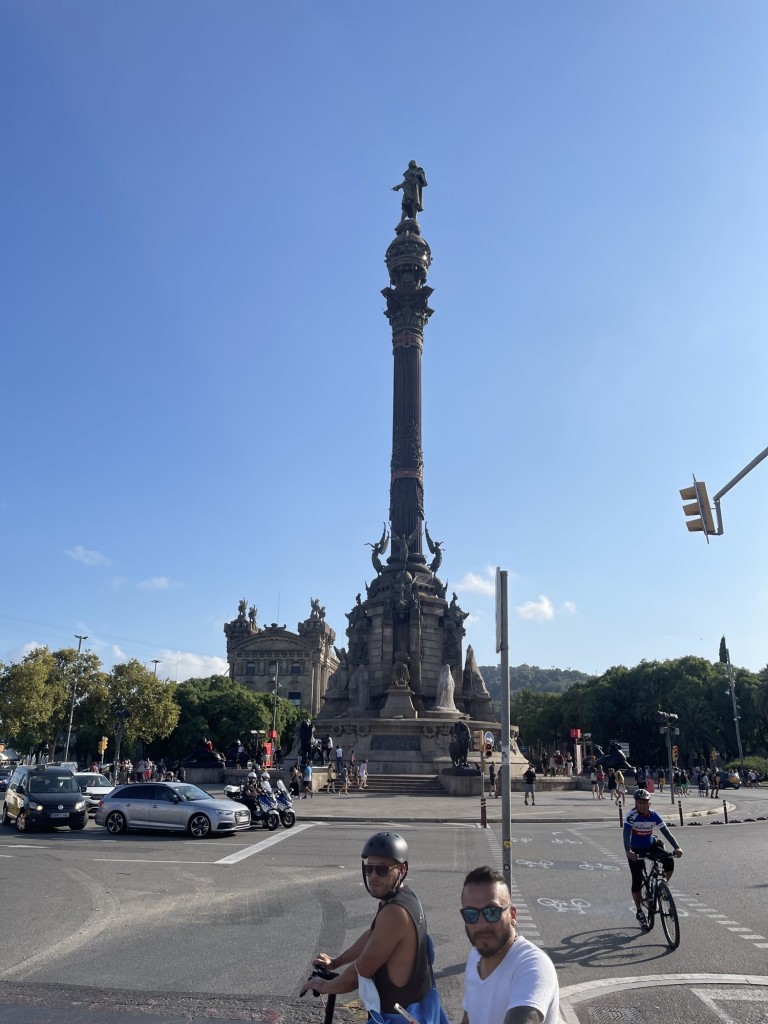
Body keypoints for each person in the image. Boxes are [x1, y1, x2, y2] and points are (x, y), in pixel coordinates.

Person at [300, 832, 435, 1019]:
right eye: (369, 869)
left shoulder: (395, 912)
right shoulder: (402, 898)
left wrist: (322, 985)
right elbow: (372, 936)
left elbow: (359, 974)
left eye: (382, 870)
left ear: (402, 870)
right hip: (415, 1011)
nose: (373, 876)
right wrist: (335, 962)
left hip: (396, 1019)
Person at [460, 865, 559, 1024]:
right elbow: (469, 1017)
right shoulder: (475, 957)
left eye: (492, 912)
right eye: (471, 914)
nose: (481, 924)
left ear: (513, 915)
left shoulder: (532, 966)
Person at [624, 788, 683, 930]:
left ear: (649, 803)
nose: (642, 805)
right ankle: (639, 911)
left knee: (669, 860)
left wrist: (677, 847)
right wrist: (628, 851)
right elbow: (626, 834)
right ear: (636, 803)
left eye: (644, 803)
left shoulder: (654, 815)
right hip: (636, 849)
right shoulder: (631, 815)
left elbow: (666, 832)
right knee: (637, 880)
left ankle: (661, 888)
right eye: (639, 803)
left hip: (650, 845)